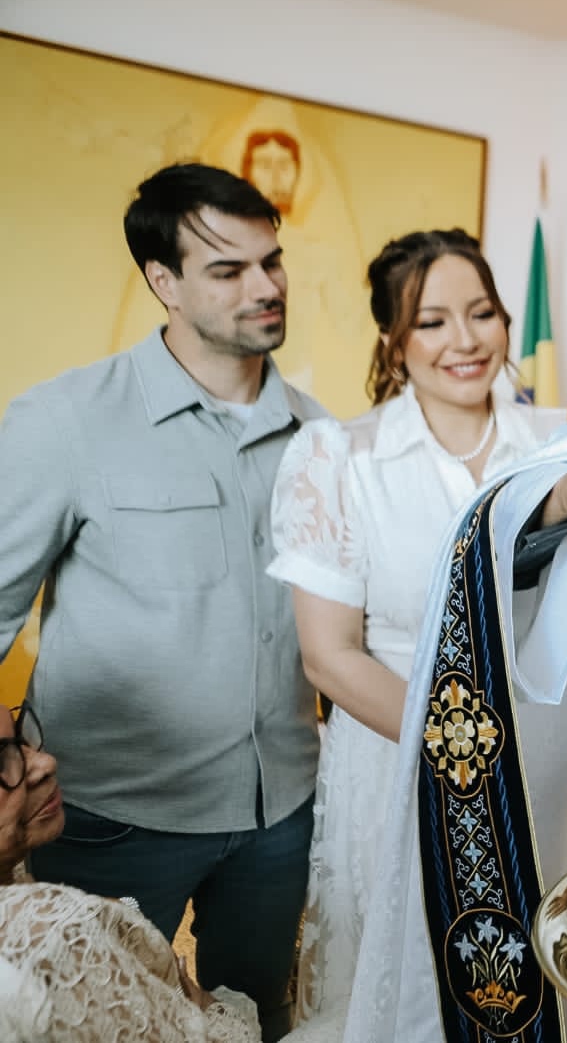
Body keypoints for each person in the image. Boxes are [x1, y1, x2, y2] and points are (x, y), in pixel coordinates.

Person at [0, 163, 323, 1041]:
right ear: (163, 283)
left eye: (273, 261)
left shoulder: (320, 434)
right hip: (111, 821)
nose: (266, 287)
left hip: (281, 816)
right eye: (229, 270)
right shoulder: (64, 422)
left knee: (257, 1019)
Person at [267, 229, 558, 1029]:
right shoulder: (339, 457)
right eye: (432, 322)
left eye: (483, 313)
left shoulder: (559, 447)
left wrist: (512, 758)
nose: (465, 341)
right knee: (407, 991)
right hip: (397, 753)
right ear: (394, 342)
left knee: (528, 982)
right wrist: (461, 753)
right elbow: (329, 657)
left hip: (539, 762)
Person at [0, 701, 263, 1041]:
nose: (45, 762)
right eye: (1, 761)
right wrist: (192, 1000)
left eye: (22, 738)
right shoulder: (55, 934)